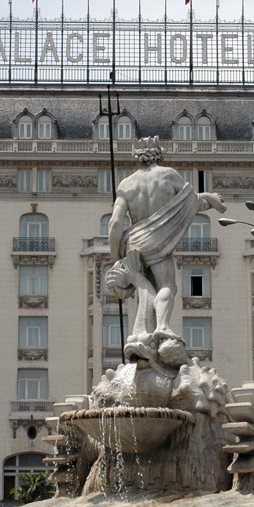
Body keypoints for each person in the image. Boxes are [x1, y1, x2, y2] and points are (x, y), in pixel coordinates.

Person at [106, 136, 226, 353]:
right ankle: (161, 326)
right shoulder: (169, 175)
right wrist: (212, 200)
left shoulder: (126, 184)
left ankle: (143, 333)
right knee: (167, 286)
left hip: (133, 243)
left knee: (144, 287)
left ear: (137, 157)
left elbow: (115, 223)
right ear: (158, 154)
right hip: (157, 244)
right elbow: (192, 203)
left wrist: (115, 258)